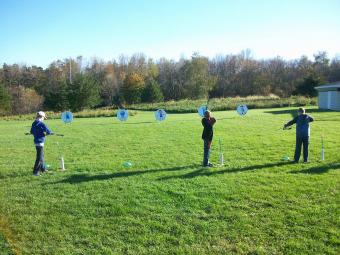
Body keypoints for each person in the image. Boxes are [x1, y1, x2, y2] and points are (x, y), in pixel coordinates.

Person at [30, 111, 53, 176]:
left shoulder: (34, 123)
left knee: (41, 156)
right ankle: (35, 172)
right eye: (43, 118)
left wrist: (39, 132)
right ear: (42, 117)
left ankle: (43, 169)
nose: (43, 119)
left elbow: (31, 131)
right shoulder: (42, 124)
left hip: (36, 142)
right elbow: (48, 132)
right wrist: (49, 133)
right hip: (40, 142)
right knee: (39, 158)